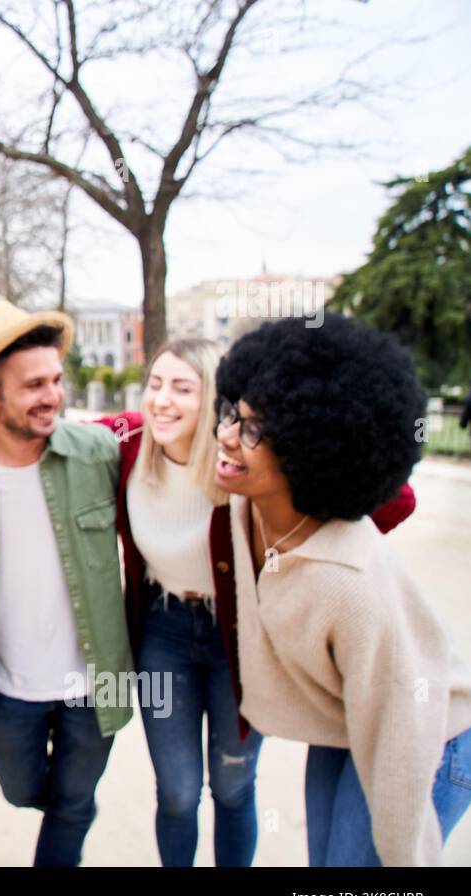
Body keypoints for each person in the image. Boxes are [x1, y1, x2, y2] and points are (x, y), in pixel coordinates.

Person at [95, 339, 415, 867]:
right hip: (163, 633)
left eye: (182, 388)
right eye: (154, 384)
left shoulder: (246, 458)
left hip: (237, 642)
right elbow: (52, 440)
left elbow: (396, 501)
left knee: (232, 784)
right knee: (176, 791)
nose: (161, 400)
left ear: (216, 400)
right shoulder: (130, 440)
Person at [214, 313, 471, 866]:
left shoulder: (348, 585)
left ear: (310, 449)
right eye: (232, 412)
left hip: (427, 733)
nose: (227, 435)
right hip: (348, 720)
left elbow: (401, 763)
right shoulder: (245, 505)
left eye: (253, 429)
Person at [0, 301, 134, 867]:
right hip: (8, 688)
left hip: (95, 684)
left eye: (55, 380)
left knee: (72, 803)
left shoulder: (97, 453)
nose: (52, 395)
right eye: (33, 386)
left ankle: (71, 813)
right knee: (20, 788)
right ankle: (69, 809)